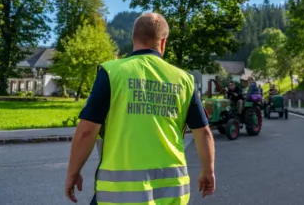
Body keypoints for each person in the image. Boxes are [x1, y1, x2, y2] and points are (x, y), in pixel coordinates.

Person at [64, 12, 216, 205]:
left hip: (119, 196)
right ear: (163, 42)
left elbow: (87, 131)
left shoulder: (112, 73)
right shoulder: (184, 80)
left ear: (134, 38)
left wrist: (73, 172)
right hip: (171, 195)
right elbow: (203, 132)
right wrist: (208, 171)